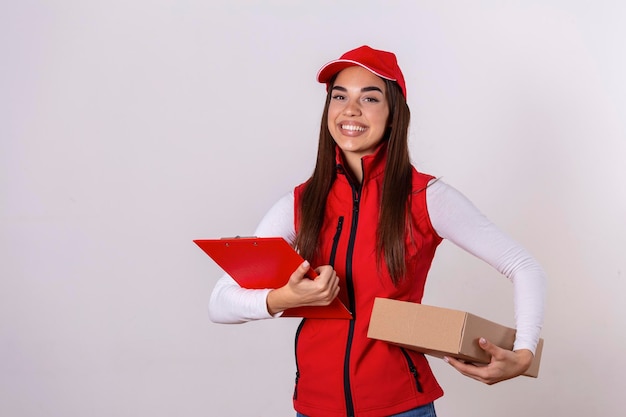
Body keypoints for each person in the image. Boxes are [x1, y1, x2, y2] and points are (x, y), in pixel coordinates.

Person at [208, 45, 546, 417]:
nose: (351, 109)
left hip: (401, 408)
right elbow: (220, 303)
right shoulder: (300, 203)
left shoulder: (425, 197)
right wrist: (282, 298)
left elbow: (523, 265)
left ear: (393, 113)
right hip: (315, 407)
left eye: (369, 98)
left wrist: (524, 353)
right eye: (340, 96)